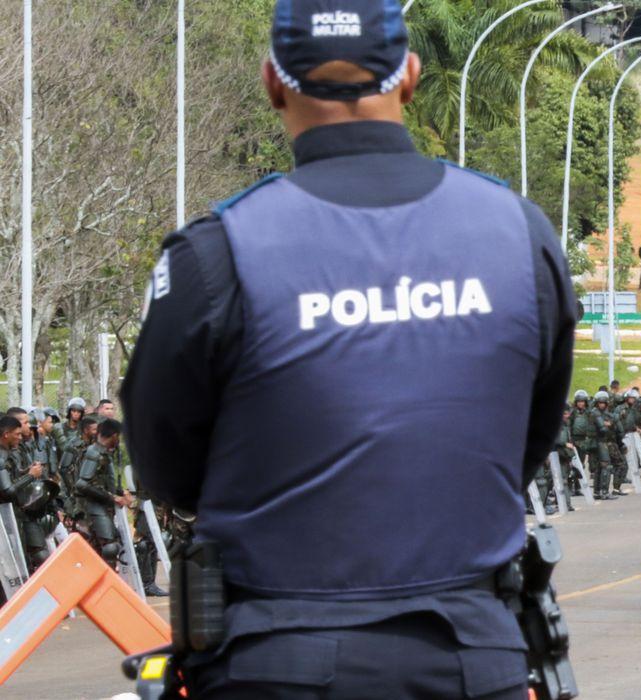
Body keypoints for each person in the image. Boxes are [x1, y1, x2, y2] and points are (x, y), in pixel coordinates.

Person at [120, 2, 577, 695]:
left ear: (274, 82)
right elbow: (529, 432)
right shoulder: (519, 234)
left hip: (277, 662)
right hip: (473, 659)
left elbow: (165, 463)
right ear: (411, 78)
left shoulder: (218, 255)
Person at [75, 419, 129, 569]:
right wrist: (112, 497)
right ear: (113, 435)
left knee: (110, 545)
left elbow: (104, 480)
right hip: (93, 507)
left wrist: (120, 492)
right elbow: (82, 484)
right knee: (109, 547)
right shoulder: (94, 453)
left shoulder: (104, 453)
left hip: (102, 506)